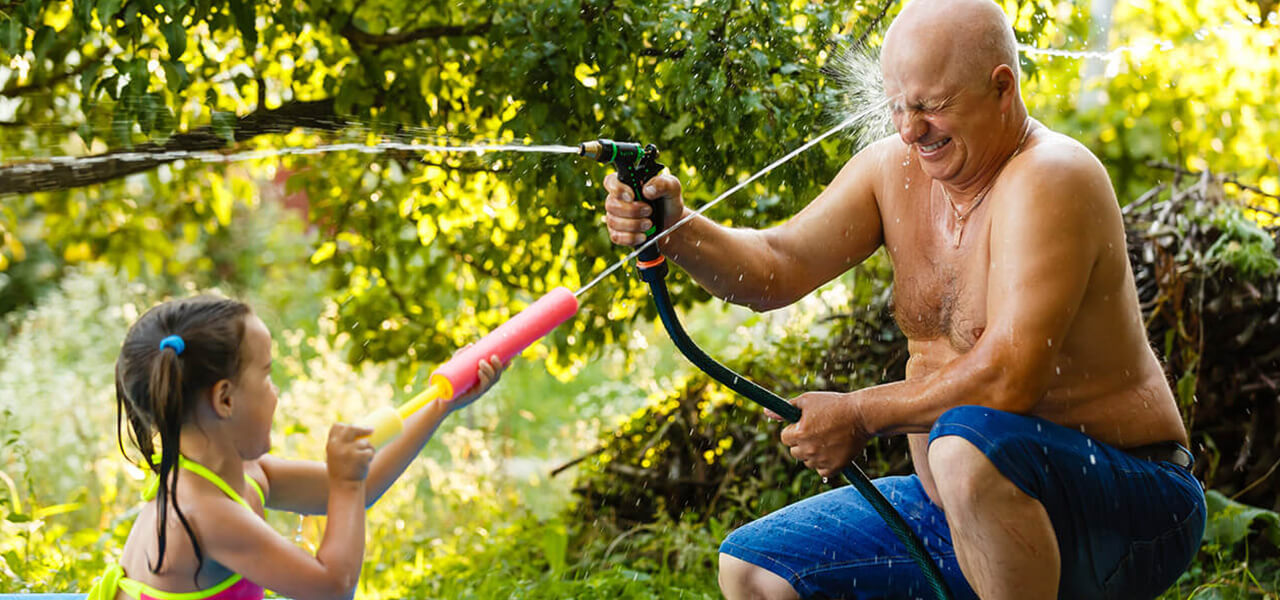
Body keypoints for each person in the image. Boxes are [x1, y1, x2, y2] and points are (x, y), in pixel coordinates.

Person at [600, 0, 1205, 598]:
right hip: (959, 508)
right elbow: (773, 270)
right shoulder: (893, 170)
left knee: (965, 445)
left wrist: (859, 414)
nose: (910, 129)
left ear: (1002, 88)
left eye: (932, 106)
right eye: (897, 106)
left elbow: (1008, 381)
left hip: (1128, 507)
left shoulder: (1051, 176)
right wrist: (676, 228)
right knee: (755, 573)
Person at [87, 295, 503, 600]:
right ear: (225, 399)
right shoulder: (204, 515)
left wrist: (440, 406)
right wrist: (344, 484)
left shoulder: (244, 473)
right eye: (267, 375)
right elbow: (332, 588)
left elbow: (365, 486)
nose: (276, 391)